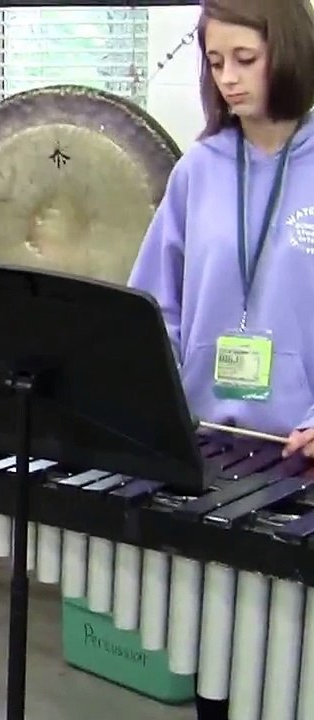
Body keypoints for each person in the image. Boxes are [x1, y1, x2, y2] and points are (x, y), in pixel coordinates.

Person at [127, 1, 314, 718]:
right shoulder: (197, 171)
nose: (228, 79)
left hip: (298, 462)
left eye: (246, 59)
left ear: (289, 52)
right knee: (221, 681)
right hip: (210, 459)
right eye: (214, 62)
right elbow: (152, 314)